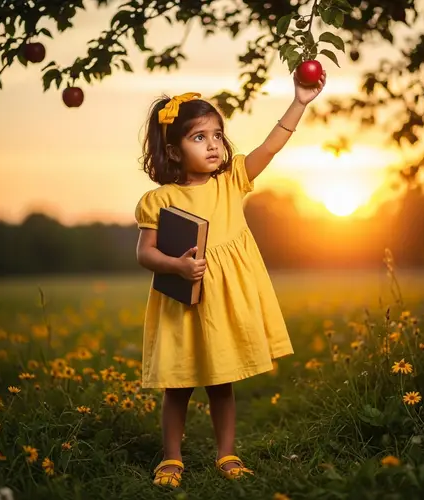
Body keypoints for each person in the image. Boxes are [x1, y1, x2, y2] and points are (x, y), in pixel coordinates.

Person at [135, 70, 326, 488]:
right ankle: (171, 458)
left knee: (222, 383)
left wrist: (300, 102)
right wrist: (177, 266)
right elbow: (144, 253)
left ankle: (227, 453)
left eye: (217, 135)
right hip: (183, 302)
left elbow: (272, 146)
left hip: (223, 303)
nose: (213, 144)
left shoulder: (232, 181)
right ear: (173, 148)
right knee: (178, 385)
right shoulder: (159, 199)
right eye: (199, 137)